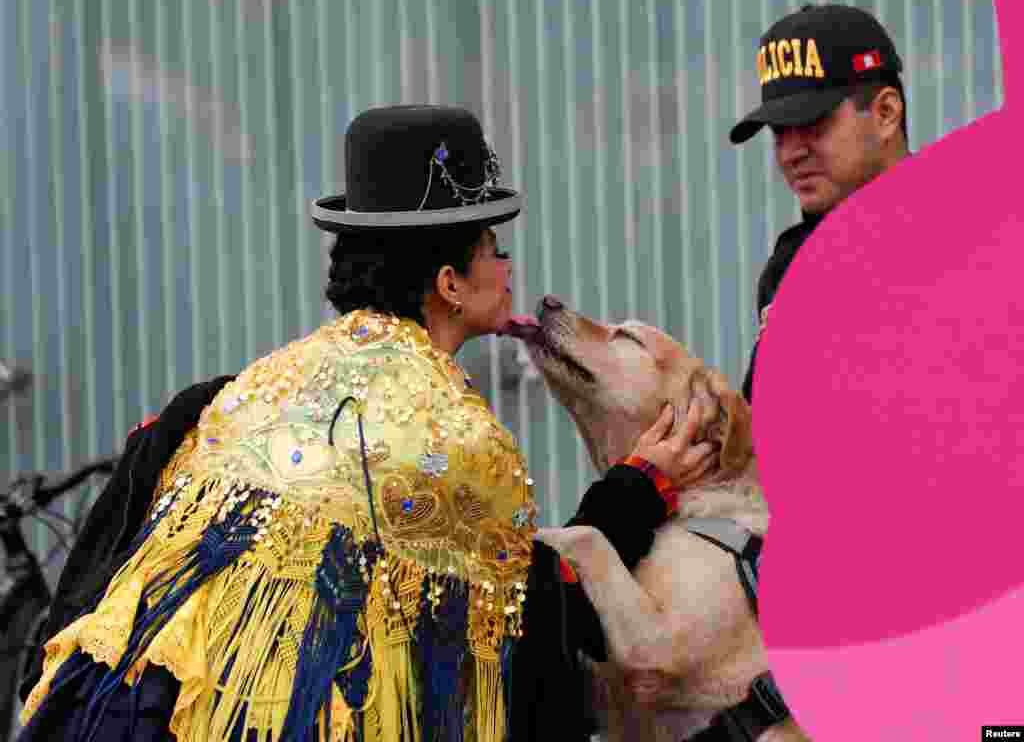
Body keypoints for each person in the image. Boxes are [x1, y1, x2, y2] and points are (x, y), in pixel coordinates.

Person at [18, 105, 714, 742]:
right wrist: (637, 494)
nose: (507, 267)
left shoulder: (238, 393)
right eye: (494, 248)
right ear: (449, 283)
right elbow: (531, 640)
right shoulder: (450, 437)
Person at [731, 3, 912, 404]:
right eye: (779, 131)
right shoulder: (791, 262)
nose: (790, 153)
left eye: (813, 124)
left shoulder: (976, 238)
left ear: (885, 113)